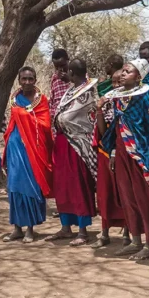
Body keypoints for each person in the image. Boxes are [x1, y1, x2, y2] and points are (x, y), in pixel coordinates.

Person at [96, 62, 149, 259]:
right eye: (124, 71)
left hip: (139, 155)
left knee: (143, 198)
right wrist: (112, 153)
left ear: (138, 78)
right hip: (121, 154)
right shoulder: (118, 100)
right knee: (127, 197)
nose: (123, 74)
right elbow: (114, 129)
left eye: (128, 71)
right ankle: (135, 240)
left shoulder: (143, 99)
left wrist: (147, 158)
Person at [46, 58, 99, 245]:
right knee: (62, 186)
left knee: (78, 186)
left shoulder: (88, 92)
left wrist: (58, 120)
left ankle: (83, 232)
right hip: (62, 144)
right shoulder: (70, 90)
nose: (64, 75)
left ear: (73, 73)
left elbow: (66, 118)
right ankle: (66, 227)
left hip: (77, 145)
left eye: (66, 72)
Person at [2, 67, 53, 242]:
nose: (27, 82)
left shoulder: (42, 100)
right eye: (24, 79)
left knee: (30, 186)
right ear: (19, 80)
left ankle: (30, 229)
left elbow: (45, 125)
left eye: (31, 79)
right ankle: (17, 228)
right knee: (14, 187)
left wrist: (25, 115)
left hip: (34, 148)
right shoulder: (14, 99)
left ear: (36, 80)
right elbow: (11, 123)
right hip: (16, 146)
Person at [92, 69, 130, 249]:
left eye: (119, 83)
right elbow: (101, 131)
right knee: (105, 193)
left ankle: (128, 234)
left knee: (124, 193)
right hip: (105, 151)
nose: (116, 86)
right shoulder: (106, 103)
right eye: (113, 83)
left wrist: (117, 150)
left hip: (125, 152)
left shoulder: (129, 103)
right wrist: (99, 109)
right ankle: (105, 232)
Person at [49, 49, 71, 121]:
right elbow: (52, 100)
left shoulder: (78, 72)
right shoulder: (54, 77)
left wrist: (70, 80)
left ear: (68, 60)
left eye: (62, 65)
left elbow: (87, 89)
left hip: (73, 114)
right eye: (56, 67)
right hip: (57, 117)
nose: (60, 69)